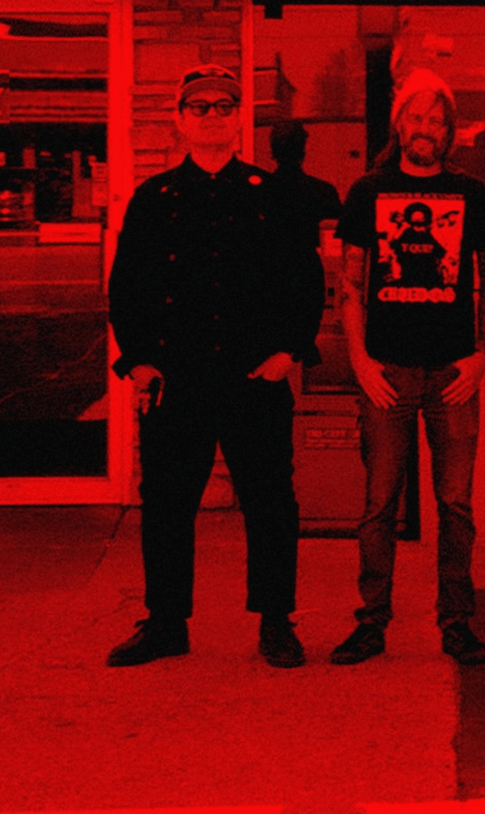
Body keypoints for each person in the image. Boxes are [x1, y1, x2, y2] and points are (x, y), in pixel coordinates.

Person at [106, 64, 325, 668]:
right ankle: (167, 622)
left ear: (237, 119)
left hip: (254, 376)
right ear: (180, 119)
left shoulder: (271, 193)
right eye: (198, 106)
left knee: (270, 501)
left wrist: (289, 352)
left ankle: (277, 621)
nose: (211, 115)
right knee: (168, 503)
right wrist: (138, 363)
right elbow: (128, 286)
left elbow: (304, 281)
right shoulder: (155, 199)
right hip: (177, 379)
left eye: (223, 106)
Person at [332, 68, 485, 667]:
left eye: (436, 119)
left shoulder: (474, 194)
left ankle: (456, 621)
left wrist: (483, 356)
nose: (424, 127)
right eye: (415, 116)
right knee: (379, 504)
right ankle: (371, 621)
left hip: (454, 375)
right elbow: (348, 283)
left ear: (448, 130)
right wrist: (360, 360)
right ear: (400, 123)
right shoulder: (367, 191)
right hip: (388, 373)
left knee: (455, 505)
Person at [269, 119, 344, 250]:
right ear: (304, 148)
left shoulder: (259, 193)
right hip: (310, 266)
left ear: (273, 151)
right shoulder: (324, 192)